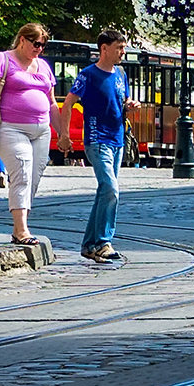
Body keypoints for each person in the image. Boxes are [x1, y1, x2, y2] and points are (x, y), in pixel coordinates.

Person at [0, 25, 57, 246]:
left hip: (42, 130)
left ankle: (19, 227)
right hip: (11, 127)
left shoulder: (43, 65)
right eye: (36, 44)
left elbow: (51, 102)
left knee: (33, 177)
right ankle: (22, 230)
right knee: (21, 172)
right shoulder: (2, 60)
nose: (39, 49)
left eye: (43, 45)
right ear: (22, 40)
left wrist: (62, 133)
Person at [73, 33, 130, 264]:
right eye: (119, 47)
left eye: (124, 47)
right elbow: (69, 102)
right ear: (104, 49)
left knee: (104, 192)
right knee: (110, 189)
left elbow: (123, 101)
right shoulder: (88, 75)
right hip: (97, 139)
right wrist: (65, 136)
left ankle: (89, 245)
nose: (122, 52)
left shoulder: (121, 74)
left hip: (118, 139)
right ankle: (104, 242)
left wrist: (130, 106)